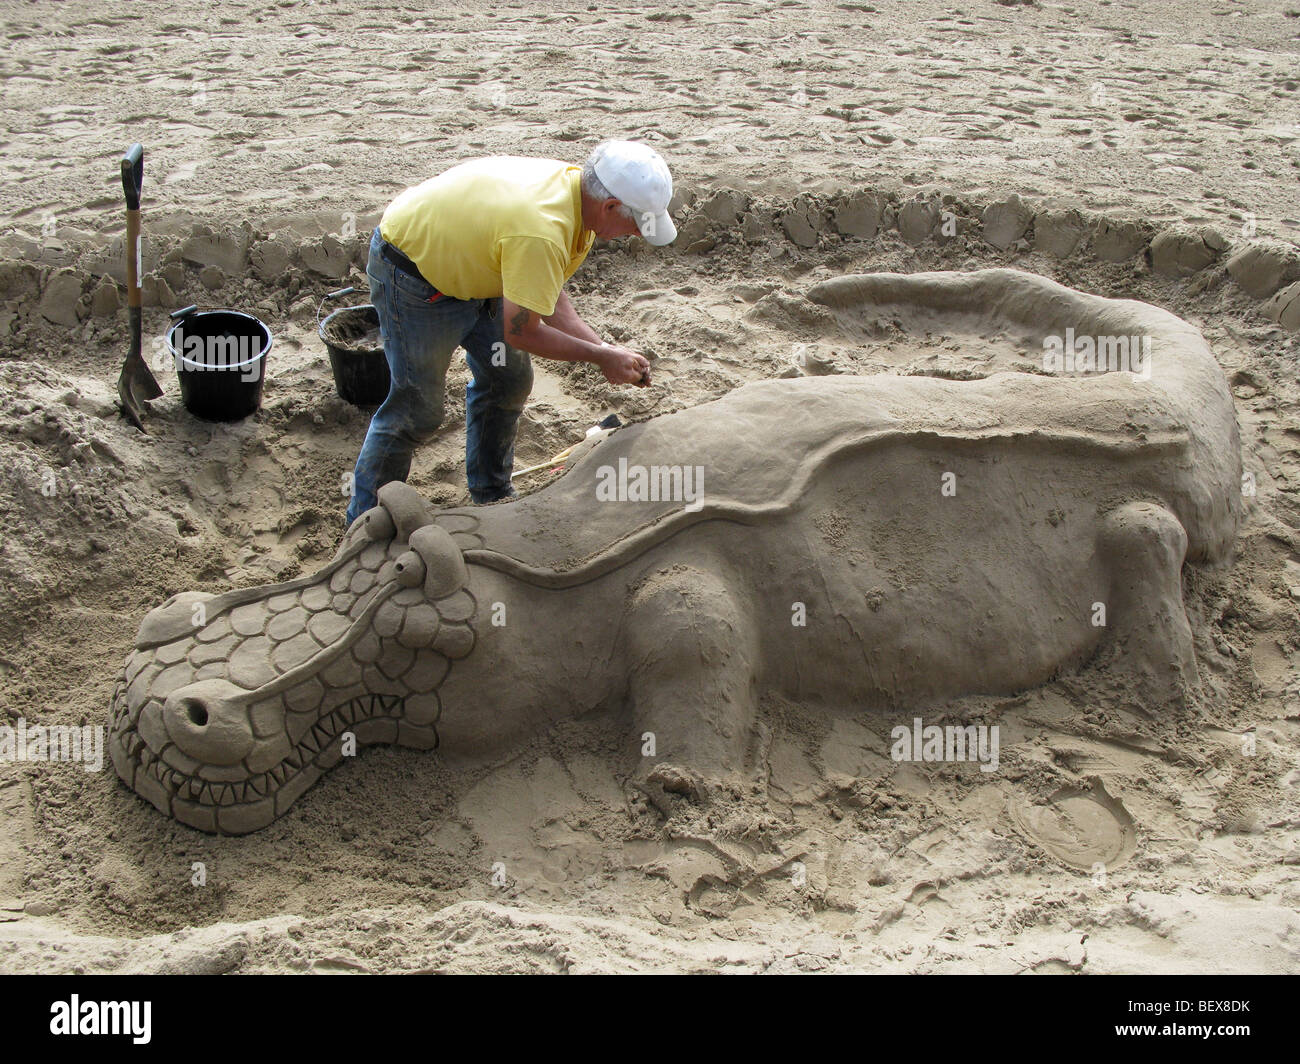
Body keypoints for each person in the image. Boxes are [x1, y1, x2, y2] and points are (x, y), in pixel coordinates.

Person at [344, 139, 676, 525]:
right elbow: (523, 333)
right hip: (415, 275)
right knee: (416, 410)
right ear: (611, 206)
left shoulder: (579, 199)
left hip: (482, 270)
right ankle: (363, 525)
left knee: (509, 378)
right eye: (637, 223)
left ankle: (491, 493)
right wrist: (602, 357)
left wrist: (602, 346)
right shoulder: (541, 227)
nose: (637, 234)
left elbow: (544, 290)